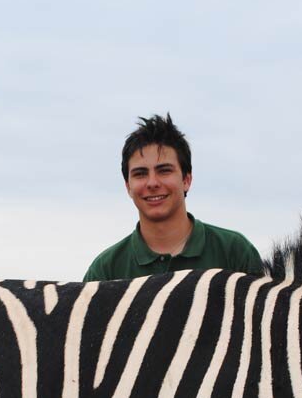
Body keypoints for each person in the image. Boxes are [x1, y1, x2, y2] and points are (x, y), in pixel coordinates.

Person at [83, 114, 264, 281]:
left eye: (164, 171)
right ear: (128, 187)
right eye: (140, 174)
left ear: (186, 179)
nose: (152, 183)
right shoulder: (105, 271)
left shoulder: (235, 253)